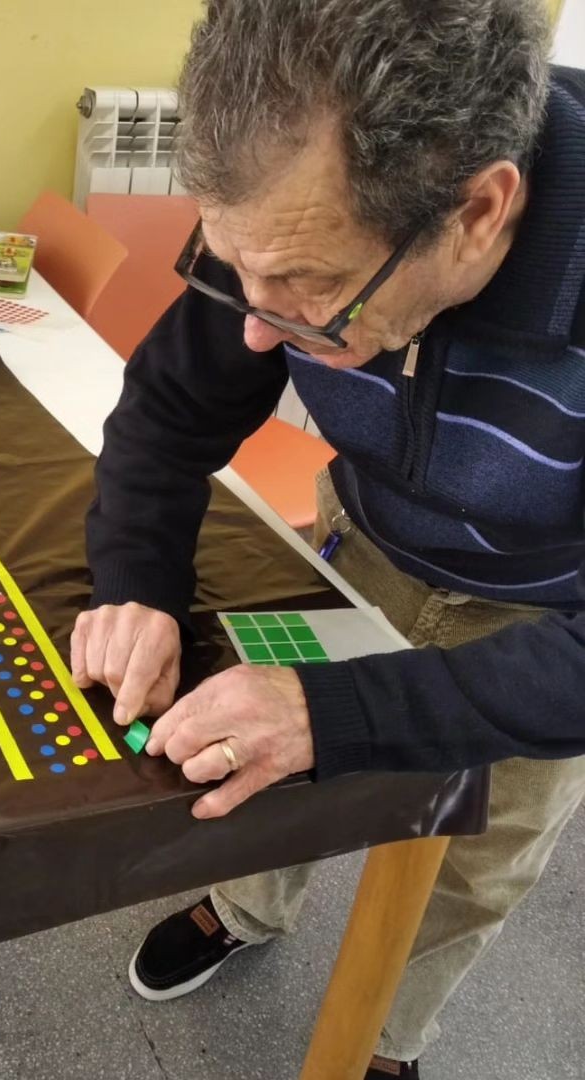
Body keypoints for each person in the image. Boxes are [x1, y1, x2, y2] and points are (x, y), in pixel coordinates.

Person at [72, 1, 585, 1077]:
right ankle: (246, 909)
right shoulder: (286, 226)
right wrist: (135, 580)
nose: (258, 328)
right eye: (234, 266)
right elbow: (168, 415)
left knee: (482, 852)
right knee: (270, 765)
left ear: (480, 210)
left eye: (309, 288)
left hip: (549, 618)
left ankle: (388, 1030)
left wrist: (337, 711)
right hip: (366, 538)